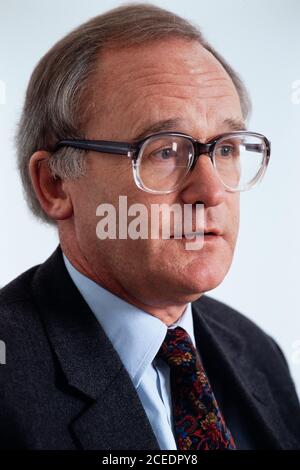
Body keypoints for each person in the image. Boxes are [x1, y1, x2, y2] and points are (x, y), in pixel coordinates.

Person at [1, 3, 299, 450]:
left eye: (225, 149)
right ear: (56, 184)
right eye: (164, 150)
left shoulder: (258, 352)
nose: (211, 191)